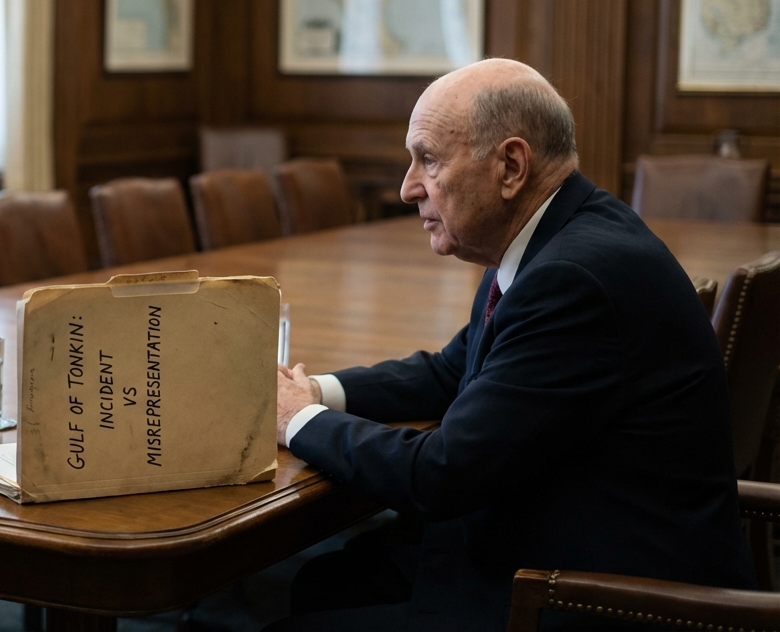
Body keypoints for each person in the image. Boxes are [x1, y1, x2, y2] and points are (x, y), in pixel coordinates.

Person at [267, 59, 752, 631]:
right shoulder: (552, 237)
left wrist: (299, 419)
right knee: (322, 582)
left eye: (429, 159)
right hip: (548, 539)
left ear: (511, 166)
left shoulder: (574, 278)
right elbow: (453, 372)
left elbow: (439, 476)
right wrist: (317, 389)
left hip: (588, 597)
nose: (406, 187)